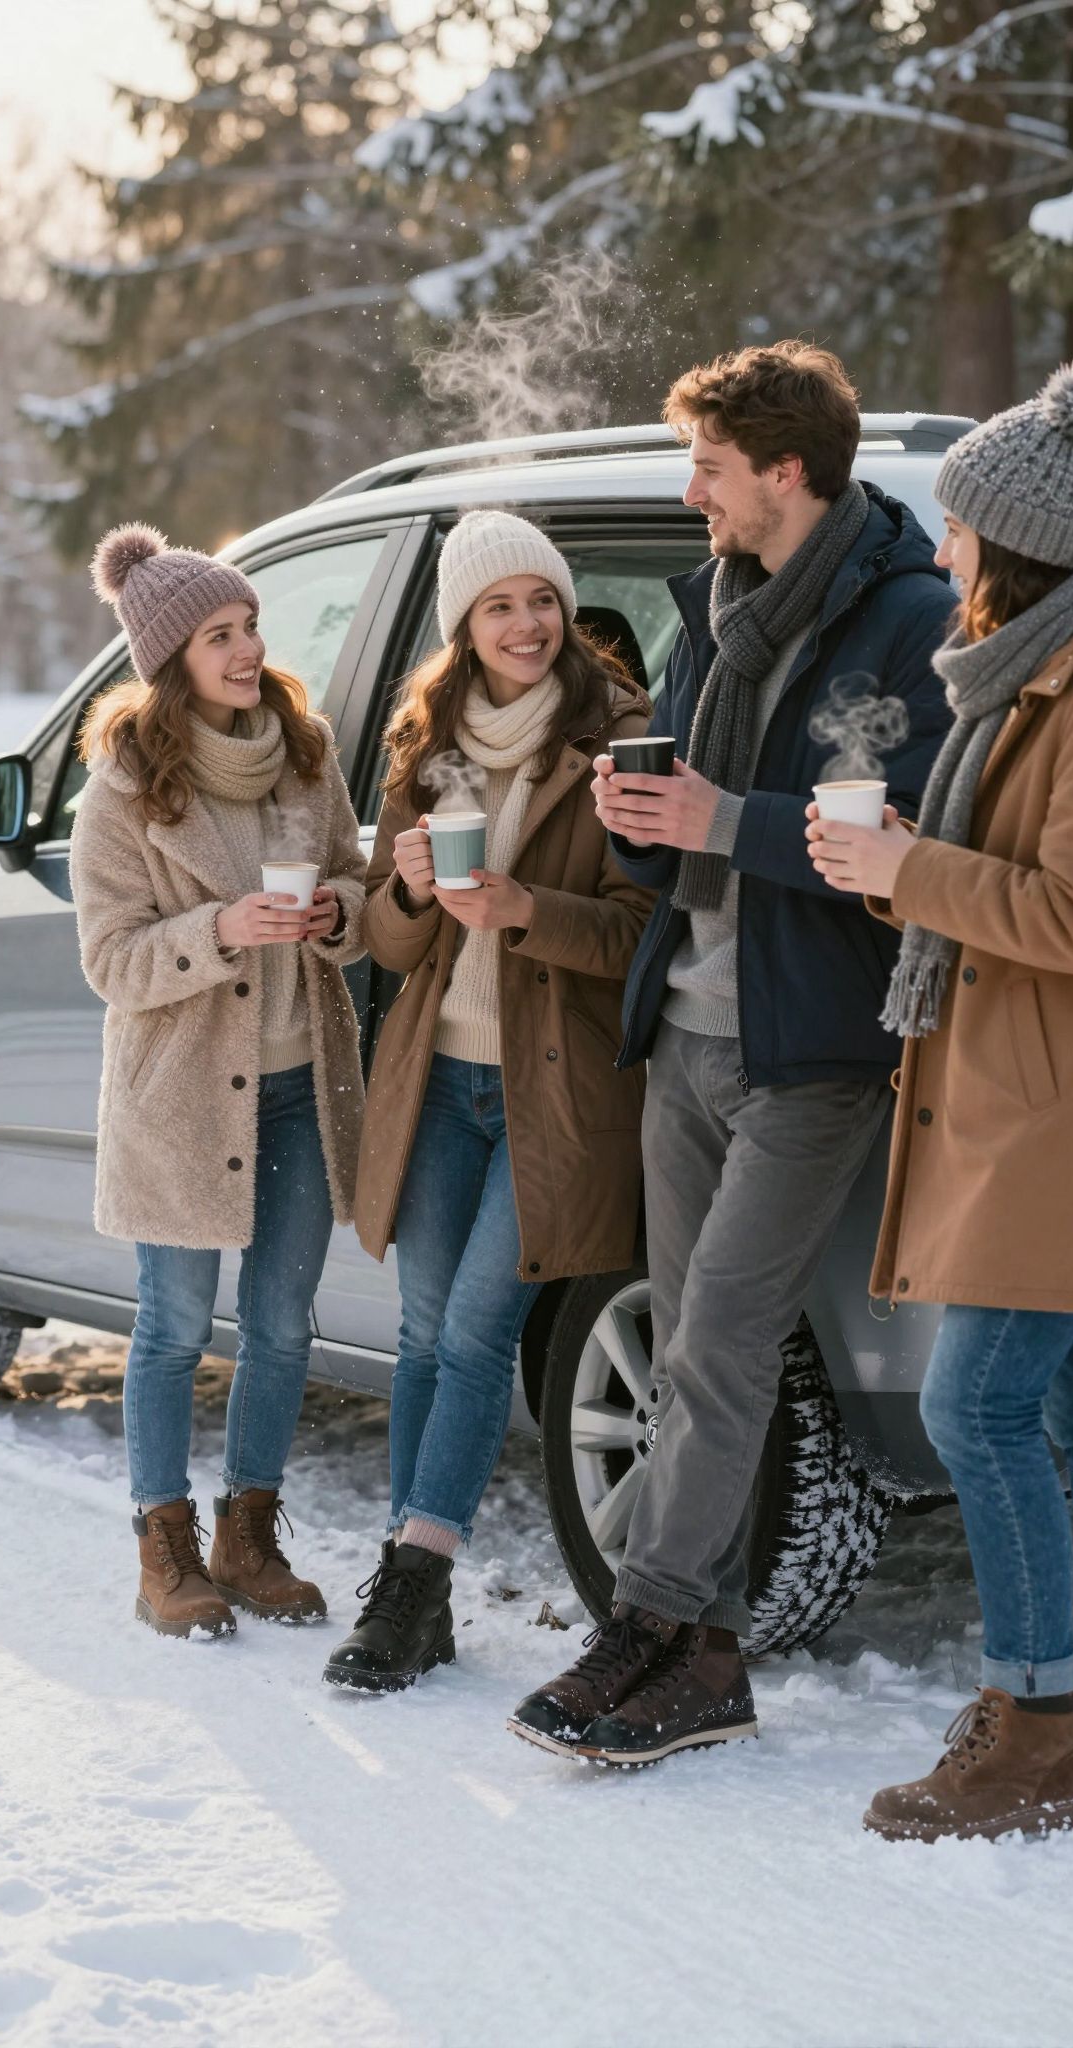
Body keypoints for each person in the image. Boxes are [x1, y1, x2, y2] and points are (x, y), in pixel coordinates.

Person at [805, 362, 1073, 1841]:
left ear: (1017, 543)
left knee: (972, 1405)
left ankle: (1034, 1721)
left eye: (956, 533)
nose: (941, 558)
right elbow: (1047, 893)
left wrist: (906, 871)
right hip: (1061, 1090)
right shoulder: (1057, 674)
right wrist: (913, 857)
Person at [510, 341, 956, 1767]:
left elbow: (903, 850)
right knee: (693, 1334)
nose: (688, 488)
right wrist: (644, 821)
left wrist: (724, 823)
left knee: (717, 1345)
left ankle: (646, 1625)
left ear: (786, 471)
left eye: (708, 464)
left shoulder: (907, 621)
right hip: (688, 1024)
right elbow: (693, 818)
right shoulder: (720, 603)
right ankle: (702, 1659)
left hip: (814, 1049)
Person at [323, 510, 655, 1693]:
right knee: (421, 1333)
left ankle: (409, 1586)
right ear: (465, 622)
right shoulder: (426, 742)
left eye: (545, 602)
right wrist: (408, 891)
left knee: (470, 1333)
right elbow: (390, 944)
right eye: (502, 605)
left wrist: (526, 912)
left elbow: (640, 933)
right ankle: (420, 1589)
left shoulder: (619, 737)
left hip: (551, 1092)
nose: (528, 624)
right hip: (436, 1083)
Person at [70, 524, 367, 1640]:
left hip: (298, 1083)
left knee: (284, 1326)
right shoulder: (124, 794)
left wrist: (335, 912)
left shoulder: (304, 752)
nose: (246, 651)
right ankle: (165, 1550)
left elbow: (348, 873)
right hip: (182, 1097)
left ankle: (250, 1535)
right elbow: (112, 960)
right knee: (173, 1326)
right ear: (169, 659)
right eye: (219, 635)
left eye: (249, 628)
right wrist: (220, 928)